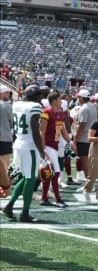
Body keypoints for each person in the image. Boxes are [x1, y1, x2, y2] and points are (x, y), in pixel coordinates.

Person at [2, 85, 45, 222]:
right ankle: (25, 213)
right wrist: (42, 151)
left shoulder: (17, 104)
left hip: (18, 143)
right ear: (36, 96)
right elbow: (35, 130)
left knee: (25, 177)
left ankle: (9, 206)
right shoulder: (35, 107)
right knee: (31, 179)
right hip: (29, 146)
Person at [39, 90, 75, 207]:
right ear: (54, 101)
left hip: (54, 145)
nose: (61, 102)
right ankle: (57, 199)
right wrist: (43, 149)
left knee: (49, 172)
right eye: (59, 100)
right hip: (48, 146)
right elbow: (42, 132)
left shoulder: (59, 112)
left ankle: (44, 198)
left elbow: (62, 130)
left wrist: (70, 141)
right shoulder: (46, 112)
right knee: (56, 172)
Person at [74, 89, 96, 185]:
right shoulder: (93, 107)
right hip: (90, 137)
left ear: (81, 98)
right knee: (89, 161)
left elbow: (82, 125)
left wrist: (75, 139)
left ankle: (89, 184)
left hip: (84, 138)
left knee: (84, 161)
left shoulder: (84, 108)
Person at [0, 85, 13, 196]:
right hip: (4, 136)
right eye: (6, 93)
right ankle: (4, 187)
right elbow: (11, 121)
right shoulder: (6, 105)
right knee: (5, 164)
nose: (8, 95)